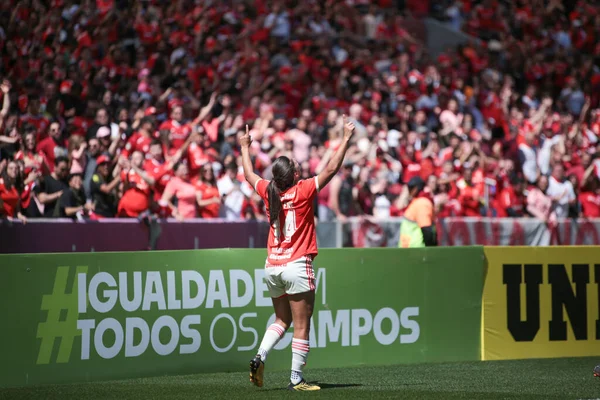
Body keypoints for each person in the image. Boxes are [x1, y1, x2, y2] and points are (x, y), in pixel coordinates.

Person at [242, 117, 355, 391]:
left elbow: (248, 175)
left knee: (282, 319)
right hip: (296, 264)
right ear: (292, 175)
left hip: (272, 265)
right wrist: (346, 139)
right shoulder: (302, 190)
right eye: (295, 166)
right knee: (302, 325)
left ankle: (261, 355)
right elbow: (331, 168)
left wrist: (245, 147)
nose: (299, 166)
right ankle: (296, 378)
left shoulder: (269, 191)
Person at [398, 177, 437, 248]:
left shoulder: (422, 203)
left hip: (417, 250)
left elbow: (426, 230)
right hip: (411, 249)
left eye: (409, 188)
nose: (408, 191)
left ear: (415, 189)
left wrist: (429, 252)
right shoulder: (417, 202)